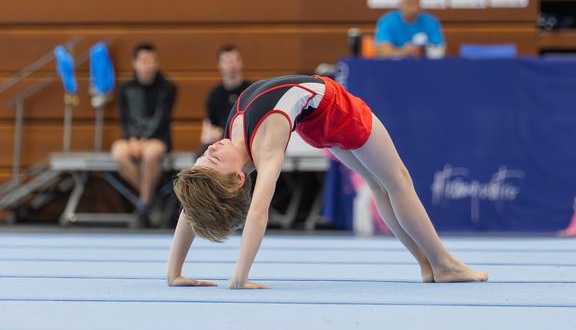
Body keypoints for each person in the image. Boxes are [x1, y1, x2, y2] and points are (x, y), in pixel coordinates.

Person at [166, 74, 488, 289]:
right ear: (238, 179)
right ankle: (443, 263)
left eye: (204, 156)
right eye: (213, 159)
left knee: (381, 185)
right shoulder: (267, 147)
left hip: (314, 122)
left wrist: (174, 273)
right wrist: (240, 277)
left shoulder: (233, 149)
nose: (210, 148)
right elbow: (258, 212)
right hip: (336, 110)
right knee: (398, 181)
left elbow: (195, 201)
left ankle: (427, 264)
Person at [111, 43, 177, 226]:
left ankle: (144, 206)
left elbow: (161, 118)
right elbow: (125, 119)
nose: (148, 65)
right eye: (144, 61)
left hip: (158, 137)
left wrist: (144, 140)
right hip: (132, 137)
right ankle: (151, 199)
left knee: (150, 154)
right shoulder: (126, 89)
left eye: (152, 61)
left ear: (156, 63)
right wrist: (132, 138)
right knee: (118, 153)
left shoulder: (167, 88)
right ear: (135, 63)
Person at [197, 44, 251, 156]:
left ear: (241, 63)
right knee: (200, 154)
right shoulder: (214, 95)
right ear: (219, 65)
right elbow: (211, 126)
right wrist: (214, 134)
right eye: (226, 61)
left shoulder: (251, 91)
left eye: (234, 60)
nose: (231, 65)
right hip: (222, 142)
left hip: (245, 141)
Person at [375, 0, 446, 58]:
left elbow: (439, 50)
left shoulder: (431, 22)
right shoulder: (387, 22)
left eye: (416, 2)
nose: (412, 6)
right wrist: (403, 52)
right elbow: (383, 52)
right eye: (409, 2)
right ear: (400, 3)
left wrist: (422, 51)